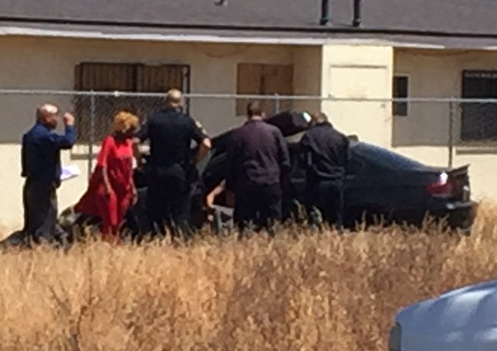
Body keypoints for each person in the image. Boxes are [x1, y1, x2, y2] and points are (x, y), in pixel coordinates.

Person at [134, 89, 211, 239]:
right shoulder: (187, 121)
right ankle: (178, 240)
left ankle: (156, 239)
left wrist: (139, 162)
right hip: (180, 172)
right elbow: (206, 144)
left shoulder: (154, 120)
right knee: (180, 211)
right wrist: (195, 161)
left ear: (165, 102)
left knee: (156, 210)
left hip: (157, 171)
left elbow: (135, 141)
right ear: (180, 103)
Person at [226, 101, 291, 236]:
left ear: (247, 114)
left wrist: (230, 187)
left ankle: (247, 245)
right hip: (270, 182)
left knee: (245, 224)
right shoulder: (274, 132)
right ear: (263, 114)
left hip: (246, 183)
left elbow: (231, 163)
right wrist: (282, 182)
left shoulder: (237, 134)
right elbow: (285, 160)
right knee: (272, 224)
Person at [73, 111, 139, 240]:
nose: (133, 133)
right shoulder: (109, 141)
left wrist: (133, 187)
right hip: (110, 186)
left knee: (120, 219)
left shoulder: (129, 143)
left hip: (124, 186)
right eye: (131, 129)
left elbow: (130, 167)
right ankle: (108, 242)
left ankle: (116, 242)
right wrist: (107, 186)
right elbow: (102, 165)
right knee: (110, 220)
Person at [21, 103, 76, 246]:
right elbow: (68, 142)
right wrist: (70, 125)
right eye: (55, 116)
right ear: (46, 118)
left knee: (35, 223)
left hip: (33, 184)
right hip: (43, 186)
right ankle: (43, 248)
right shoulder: (43, 136)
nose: (57, 120)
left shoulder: (30, 134)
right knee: (45, 223)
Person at [298, 112, 349, 228]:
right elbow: (347, 160)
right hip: (337, 181)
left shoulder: (309, 136)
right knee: (336, 218)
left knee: (316, 219)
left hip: (317, 182)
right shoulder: (340, 137)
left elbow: (303, 161)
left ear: (314, 122)